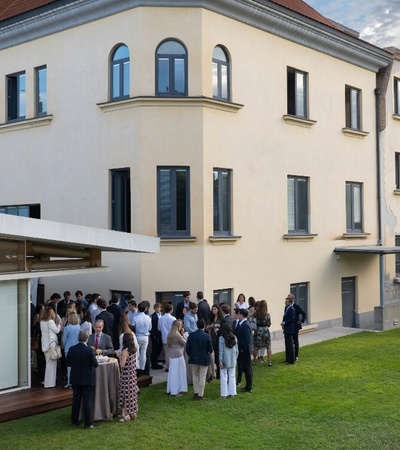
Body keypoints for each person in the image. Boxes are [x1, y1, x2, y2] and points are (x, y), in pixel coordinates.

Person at [67, 330, 98, 429]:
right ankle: (88, 423)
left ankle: (74, 421)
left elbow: (68, 363)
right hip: (87, 378)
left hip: (76, 378)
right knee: (87, 401)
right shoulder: (89, 350)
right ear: (87, 339)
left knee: (76, 400)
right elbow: (95, 364)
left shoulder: (72, 349)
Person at [186, 320, 213, 401]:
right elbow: (210, 349)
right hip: (204, 358)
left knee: (195, 375)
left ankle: (196, 392)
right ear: (204, 326)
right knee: (202, 376)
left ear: (196, 325)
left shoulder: (191, 335)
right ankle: (200, 395)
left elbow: (187, 348)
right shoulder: (207, 336)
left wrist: (191, 355)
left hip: (194, 358)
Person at [117, 333, 139, 423]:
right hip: (132, 375)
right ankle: (133, 412)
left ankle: (126, 415)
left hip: (126, 376)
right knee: (132, 394)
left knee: (125, 395)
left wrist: (120, 357)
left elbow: (122, 365)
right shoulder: (134, 349)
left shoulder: (125, 352)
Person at [40, 306, 61, 388]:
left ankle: (48, 382)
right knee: (51, 364)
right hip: (51, 345)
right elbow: (57, 331)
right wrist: (59, 324)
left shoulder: (42, 322)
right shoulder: (50, 322)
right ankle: (50, 383)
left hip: (45, 345)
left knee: (48, 363)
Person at [166, 320, 188, 396]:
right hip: (178, 355)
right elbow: (185, 343)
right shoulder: (177, 335)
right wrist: (183, 334)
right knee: (178, 373)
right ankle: (176, 390)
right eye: (181, 325)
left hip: (172, 355)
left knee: (172, 373)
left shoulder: (170, 334)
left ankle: (171, 389)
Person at [235, 309, 253, 393]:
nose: (237, 315)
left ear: (241, 315)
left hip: (244, 350)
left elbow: (246, 340)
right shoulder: (241, 323)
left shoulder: (245, 325)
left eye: (238, 314)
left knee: (247, 368)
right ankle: (248, 385)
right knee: (245, 368)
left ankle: (249, 386)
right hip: (242, 349)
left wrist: (241, 349)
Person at [131, 302, 152, 376]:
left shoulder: (135, 318)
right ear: (146, 309)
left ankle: (137, 368)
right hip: (145, 336)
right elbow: (150, 328)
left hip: (137, 336)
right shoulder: (148, 317)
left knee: (137, 353)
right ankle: (142, 368)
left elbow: (133, 328)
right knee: (143, 353)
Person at [219, 323, 238, 398]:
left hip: (224, 359)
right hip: (233, 359)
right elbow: (237, 350)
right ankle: (232, 393)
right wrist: (236, 357)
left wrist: (220, 360)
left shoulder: (221, 338)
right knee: (232, 376)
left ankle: (224, 394)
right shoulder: (234, 338)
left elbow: (221, 351)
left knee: (224, 376)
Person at [63, 312, 81, 388]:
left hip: (69, 348)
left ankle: (69, 382)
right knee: (77, 366)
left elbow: (64, 339)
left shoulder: (67, 328)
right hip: (77, 348)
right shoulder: (79, 327)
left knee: (69, 367)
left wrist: (64, 346)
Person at [287, 293, 307, 362]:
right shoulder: (287, 307)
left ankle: (296, 356)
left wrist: (301, 321)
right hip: (289, 326)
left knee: (295, 341)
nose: (287, 300)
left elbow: (304, 313)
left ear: (292, 299)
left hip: (295, 326)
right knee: (290, 341)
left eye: (289, 298)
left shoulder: (296, 306)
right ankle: (289, 356)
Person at [252, 300, 272, 366]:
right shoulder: (267, 314)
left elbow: (253, 323)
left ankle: (254, 361)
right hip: (266, 331)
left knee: (256, 347)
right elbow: (269, 324)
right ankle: (269, 362)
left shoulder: (255, 314)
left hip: (258, 331)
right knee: (268, 346)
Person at [206, 304, 223, 380]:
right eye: (213, 309)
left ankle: (219, 372)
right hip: (212, 336)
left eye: (215, 309)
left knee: (218, 354)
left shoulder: (220, 318)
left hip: (219, 337)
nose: (214, 311)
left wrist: (215, 325)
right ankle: (213, 372)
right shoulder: (211, 317)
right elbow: (207, 327)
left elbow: (221, 325)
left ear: (218, 310)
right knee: (213, 354)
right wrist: (210, 326)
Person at [158, 304, 175, 372]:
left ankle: (168, 366)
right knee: (172, 352)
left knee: (167, 353)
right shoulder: (173, 319)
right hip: (172, 337)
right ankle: (172, 365)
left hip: (164, 337)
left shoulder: (161, 318)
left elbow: (159, 328)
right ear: (171, 310)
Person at [281, 296, 296, 365]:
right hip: (286, 328)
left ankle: (291, 360)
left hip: (290, 329)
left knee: (290, 345)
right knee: (287, 344)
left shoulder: (291, 309)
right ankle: (287, 359)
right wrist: (283, 323)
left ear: (290, 302)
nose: (285, 302)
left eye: (286, 301)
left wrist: (285, 323)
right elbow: (284, 317)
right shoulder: (286, 308)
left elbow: (292, 319)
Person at [150, 303, 164, 369]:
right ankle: (154, 363)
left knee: (160, 348)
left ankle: (156, 361)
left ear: (161, 308)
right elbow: (151, 326)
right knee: (155, 349)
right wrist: (153, 335)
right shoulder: (152, 316)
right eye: (156, 307)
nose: (157, 308)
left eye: (158, 307)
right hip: (155, 334)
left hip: (161, 334)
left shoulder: (162, 315)